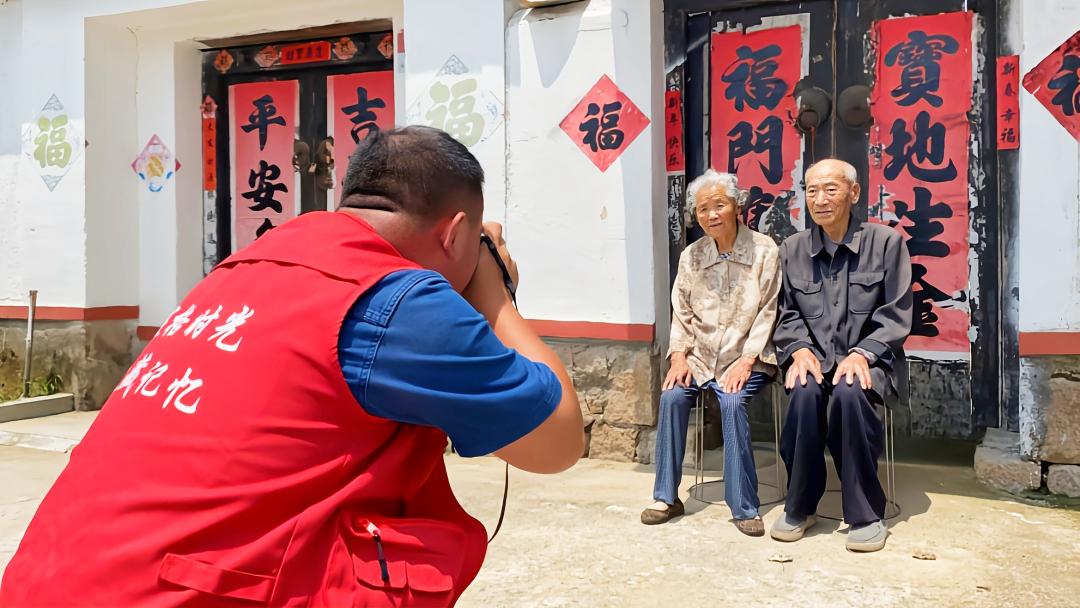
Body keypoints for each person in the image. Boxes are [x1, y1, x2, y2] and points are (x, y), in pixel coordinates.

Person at [1, 126, 585, 606]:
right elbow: (557, 441)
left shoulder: (251, 264)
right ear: (456, 233)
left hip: (52, 578)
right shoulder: (397, 297)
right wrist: (494, 292)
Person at [769, 158, 912, 552]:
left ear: (854, 193)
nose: (820, 199)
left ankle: (865, 513)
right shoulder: (792, 250)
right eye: (812, 191)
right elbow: (785, 313)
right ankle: (800, 504)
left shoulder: (887, 244)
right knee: (803, 392)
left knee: (849, 391)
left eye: (830, 189)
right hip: (814, 359)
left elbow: (897, 314)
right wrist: (798, 349)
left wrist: (863, 353)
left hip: (871, 362)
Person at [640, 170, 781, 537]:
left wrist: (747, 360)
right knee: (672, 396)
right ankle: (666, 497)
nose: (711, 215)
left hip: (746, 357)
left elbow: (768, 310)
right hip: (699, 357)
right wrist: (679, 356)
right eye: (703, 209)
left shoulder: (765, 250)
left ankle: (744, 506)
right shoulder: (692, 255)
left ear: (737, 206)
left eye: (719, 205)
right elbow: (682, 311)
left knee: (732, 402)